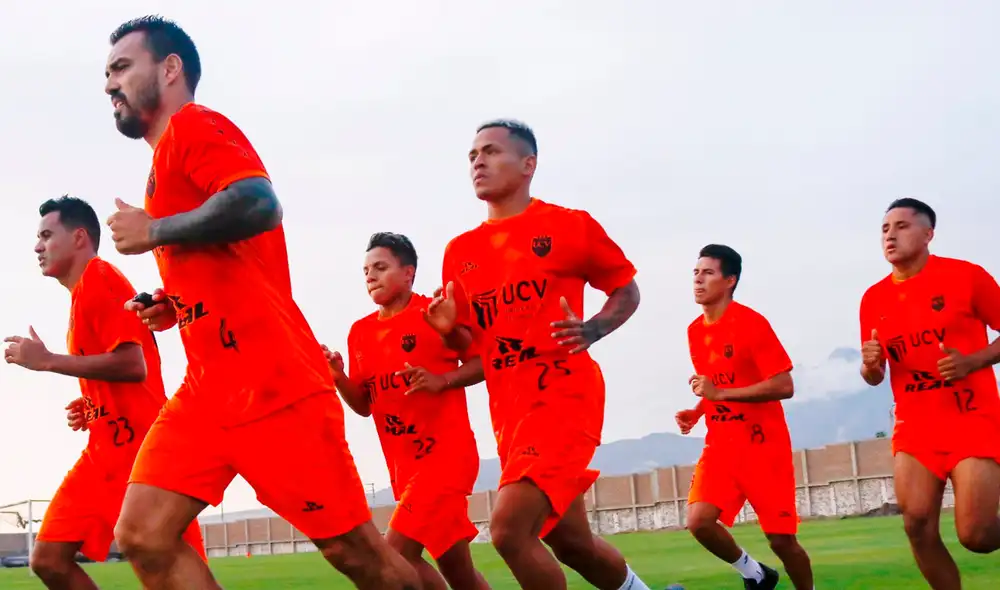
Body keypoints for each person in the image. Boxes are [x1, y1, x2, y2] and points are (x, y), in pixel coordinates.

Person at [100, 16, 421, 590]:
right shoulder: (162, 165)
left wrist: (154, 231)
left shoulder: (196, 127)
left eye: (122, 67)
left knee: (359, 557)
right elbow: (225, 257)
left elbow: (257, 203)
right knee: (143, 534)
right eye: (107, 73)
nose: (108, 85)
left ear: (170, 69)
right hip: (206, 390)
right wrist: (171, 304)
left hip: (273, 384)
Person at [422, 119, 660, 590]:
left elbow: (625, 289)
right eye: (472, 156)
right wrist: (449, 334)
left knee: (509, 532)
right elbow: (473, 351)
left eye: (490, 152)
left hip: (564, 396)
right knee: (571, 544)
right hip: (510, 414)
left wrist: (592, 329)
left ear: (528, 164)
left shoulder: (568, 225)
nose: (478, 162)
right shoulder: (460, 252)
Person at [3, 196, 206, 590]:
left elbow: (133, 366)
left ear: (79, 237)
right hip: (103, 452)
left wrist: (47, 360)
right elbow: (112, 370)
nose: (37, 246)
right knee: (48, 559)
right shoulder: (80, 296)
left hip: (141, 454)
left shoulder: (101, 277)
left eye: (46, 235)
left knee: (169, 572)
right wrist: (91, 405)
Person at [322, 232, 490, 590]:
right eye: (366, 270)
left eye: (381, 267)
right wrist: (338, 376)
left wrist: (442, 380)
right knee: (459, 573)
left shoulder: (434, 312)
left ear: (409, 273)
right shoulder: (360, 332)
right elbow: (364, 406)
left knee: (393, 557)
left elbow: (485, 364)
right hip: (405, 468)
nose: (370, 276)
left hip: (446, 458)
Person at [859, 198, 1000, 590]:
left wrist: (972, 361)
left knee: (977, 535)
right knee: (917, 524)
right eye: (885, 228)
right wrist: (870, 366)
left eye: (902, 226)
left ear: (928, 233)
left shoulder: (966, 277)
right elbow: (874, 376)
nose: (890, 234)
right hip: (915, 426)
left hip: (971, 417)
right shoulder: (874, 298)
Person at [674, 244, 814, 590]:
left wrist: (720, 395)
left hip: (763, 447)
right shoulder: (695, 331)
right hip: (720, 446)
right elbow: (716, 386)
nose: (698, 280)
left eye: (708, 273)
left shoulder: (751, 324)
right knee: (699, 521)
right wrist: (698, 411)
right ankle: (756, 574)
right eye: (695, 273)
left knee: (782, 542)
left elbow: (784, 385)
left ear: (730, 280)